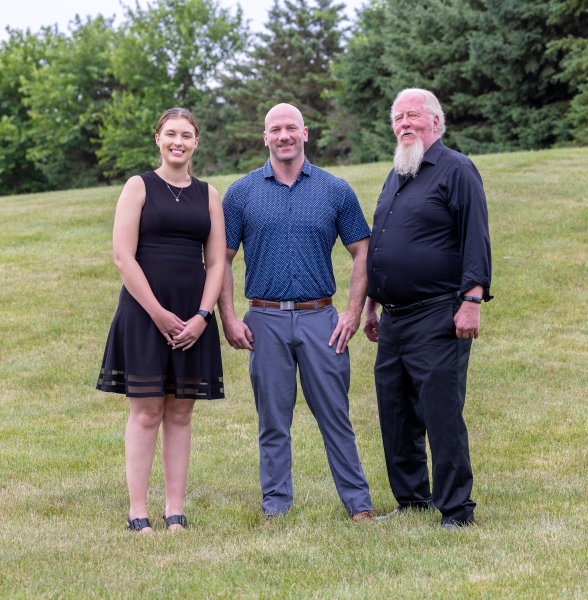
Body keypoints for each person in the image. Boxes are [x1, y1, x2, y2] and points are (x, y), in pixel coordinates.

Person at [218, 103, 375, 522]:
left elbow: (363, 251)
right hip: (264, 320)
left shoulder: (335, 190)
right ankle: (276, 507)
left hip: (321, 320)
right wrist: (228, 318)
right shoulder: (241, 194)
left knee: (336, 416)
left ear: (305, 133)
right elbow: (220, 260)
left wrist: (353, 312)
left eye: (291, 127)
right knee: (272, 421)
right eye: (275, 129)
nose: (284, 135)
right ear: (265, 138)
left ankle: (359, 506)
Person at [363, 88, 492, 530]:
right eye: (397, 118)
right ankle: (412, 498)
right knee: (395, 412)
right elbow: (382, 245)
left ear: (435, 121)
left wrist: (472, 301)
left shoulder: (457, 170)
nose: (404, 124)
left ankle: (456, 509)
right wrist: (372, 304)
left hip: (438, 313)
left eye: (412, 115)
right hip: (394, 318)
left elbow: (475, 238)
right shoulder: (398, 174)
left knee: (441, 413)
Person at [96, 107, 226, 534]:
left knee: (181, 411)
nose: (178, 142)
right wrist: (157, 312)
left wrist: (203, 315)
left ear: (196, 142)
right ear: (158, 138)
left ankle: (175, 511)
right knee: (148, 410)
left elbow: (216, 262)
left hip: (192, 314)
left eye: (186, 135)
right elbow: (122, 256)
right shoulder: (139, 186)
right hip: (144, 311)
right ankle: (138, 512)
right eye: (171, 133)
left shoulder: (209, 194)